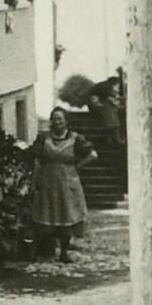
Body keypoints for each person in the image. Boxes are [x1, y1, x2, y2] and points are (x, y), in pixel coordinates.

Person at [26, 108, 92, 259]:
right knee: (46, 215)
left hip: (68, 183)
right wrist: (34, 180)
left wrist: (78, 165)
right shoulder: (44, 138)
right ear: (51, 121)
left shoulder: (75, 138)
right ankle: (43, 251)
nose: (58, 122)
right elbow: (36, 159)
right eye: (55, 119)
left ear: (66, 121)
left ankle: (63, 252)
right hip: (47, 182)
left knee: (66, 215)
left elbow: (92, 154)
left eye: (60, 119)